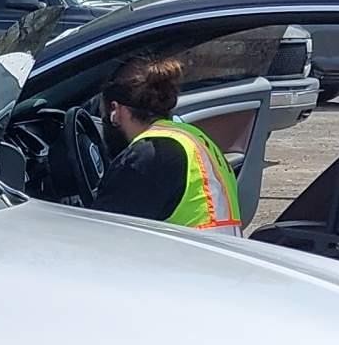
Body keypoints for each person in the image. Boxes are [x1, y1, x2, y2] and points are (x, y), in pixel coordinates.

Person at [90, 54, 242, 229]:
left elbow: (104, 230)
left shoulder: (150, 156)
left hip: (185, 254)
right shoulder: (191, 136)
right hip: (215, 249)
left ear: (115, 110)